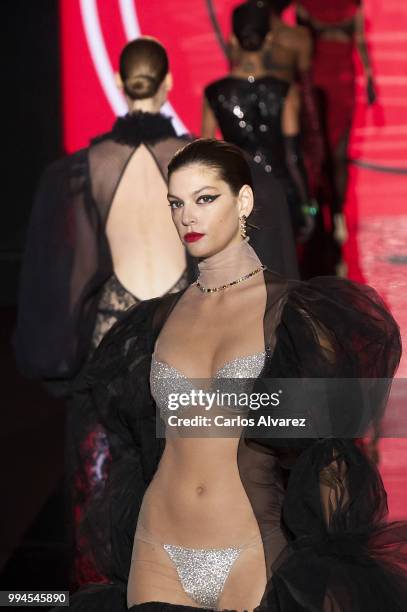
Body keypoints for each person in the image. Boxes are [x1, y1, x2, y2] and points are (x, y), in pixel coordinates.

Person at [62, 139, 407, 612]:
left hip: (249, 550)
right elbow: (136, 443)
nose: (188, 217)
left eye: (205, 199)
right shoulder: (153, 322)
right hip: (157, 548)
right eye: (176, 203)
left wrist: (333, 561)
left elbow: (329, 448)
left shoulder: (296, 314)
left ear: (243, 201)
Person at [13, 37, 195, 586]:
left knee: (103, 503)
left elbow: (72, 278)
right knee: (190, 493)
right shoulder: (198, 164)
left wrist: (63, 360)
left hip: (108, 346)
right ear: (167, 86)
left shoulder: (79, 170)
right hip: (179, 338)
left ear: (119, 85)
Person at [202, 1, 314, 264]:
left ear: (232, 39)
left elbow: (205, 152)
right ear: (270, 40)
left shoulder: (215, 94)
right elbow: (292, 157)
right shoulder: (285, 91)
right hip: (278, 191)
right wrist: (307, 205)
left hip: (237, 192)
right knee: (281, 272)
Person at [296, 0, 377, 275]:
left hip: (341, 82)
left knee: (338, 154)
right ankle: (322, 213)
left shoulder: (350, 4)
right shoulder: (305, 5)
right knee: (319, 152)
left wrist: (369, 77)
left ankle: (337, 213)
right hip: (318, 82)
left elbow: (361, 42)